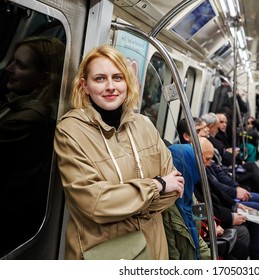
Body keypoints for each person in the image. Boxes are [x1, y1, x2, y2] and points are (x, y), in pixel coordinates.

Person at [54, 45, 184, 260]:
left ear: (127, 83)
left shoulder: (143, 124)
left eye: (118, 77)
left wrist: (124, 205)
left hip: (153, 247)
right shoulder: (70, 130)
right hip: (104, 251)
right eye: (100, 79)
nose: (110, 86)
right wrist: (157, 185)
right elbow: (95, 204)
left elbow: (175, 187)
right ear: (85, 86)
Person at [0, 36, 65, 256]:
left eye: (20, 65)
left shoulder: (29, 118)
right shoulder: (19, 106)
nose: (9, 68)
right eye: (12, 61)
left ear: (43, 79)